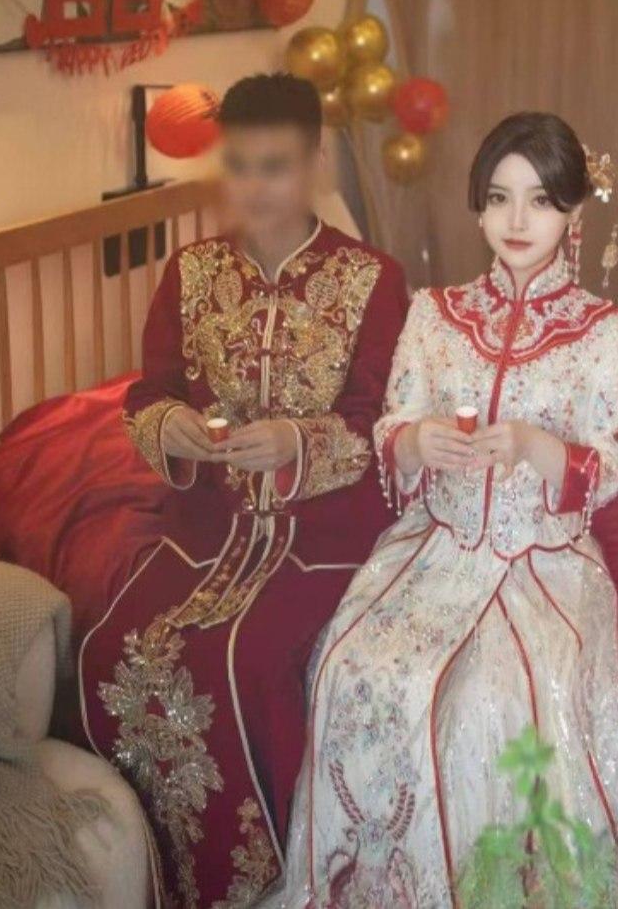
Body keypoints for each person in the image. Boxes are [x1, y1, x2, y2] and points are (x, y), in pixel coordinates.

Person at [264, 111, 618, 908]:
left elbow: (608, 469)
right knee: (350, 662)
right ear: (477, 207)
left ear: (573, 212)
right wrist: (417, 443)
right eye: (499, 198)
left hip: (541, 563)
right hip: (433, 549)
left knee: (487, 698)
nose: (517, 220)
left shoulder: (607, 333)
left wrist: (535, 447)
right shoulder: (434, 314)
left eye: (540, 201)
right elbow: (391, 426)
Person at [79, 72, 409, 908]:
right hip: (208, 523)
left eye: (277, 166)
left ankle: (276, 879)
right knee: (119, 647)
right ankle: (157, 876)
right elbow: (149, 393)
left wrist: (298, 441)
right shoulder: (190, 272)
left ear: (316, 162)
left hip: (322, 526)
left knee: (252, 657)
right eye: (241, 167)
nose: (257, 188)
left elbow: (378, 419)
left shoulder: (371, 279)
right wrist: (171, 429)